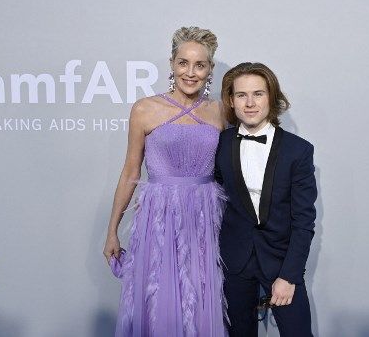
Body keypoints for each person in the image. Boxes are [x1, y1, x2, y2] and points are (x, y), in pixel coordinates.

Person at [103, 26, 227, 337]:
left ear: (210, 69)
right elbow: (131, 171)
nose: (191, 72)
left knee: (201, 299)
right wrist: (112, 231)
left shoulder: (220, 113)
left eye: (200, 65)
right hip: (159, 217)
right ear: (171, 63)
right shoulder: (145, 109)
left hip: (205, 219)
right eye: (183, 62)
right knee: (158, 298)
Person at [215, 62, 317, 336]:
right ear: (231, 101)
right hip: (235, 261)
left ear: (271, 97)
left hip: (282, 262)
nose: (250, 103)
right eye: (241, 95)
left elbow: (304, 220)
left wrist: (289, 275)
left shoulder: (299, 151)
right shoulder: (219, 144)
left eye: (258, 94)